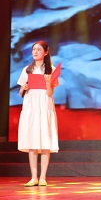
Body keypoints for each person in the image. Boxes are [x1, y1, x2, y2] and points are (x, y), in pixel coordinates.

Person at [17, 40, 59, 187]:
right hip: (31, 106)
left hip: (44, 106)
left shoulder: (51, 69)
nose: (35, 52)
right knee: (32, 142)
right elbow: (21, 92)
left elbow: (50, 93)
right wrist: (23, 88)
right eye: (34, 49)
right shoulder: (27, 70)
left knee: (45, 141)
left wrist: (47, 82)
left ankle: (42, 177)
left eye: (39, 49)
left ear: (46, 52)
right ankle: (33, 177)